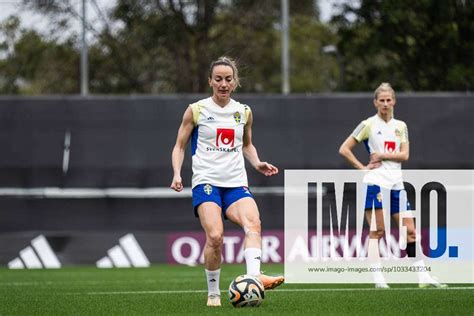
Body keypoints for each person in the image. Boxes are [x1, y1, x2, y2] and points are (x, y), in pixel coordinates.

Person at [170, 56, 284, 307]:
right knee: (216, 237)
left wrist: (257, 163)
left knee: (253, 223)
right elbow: (179, 146)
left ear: (235, 82)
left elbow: (247, 145)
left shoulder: (243, 112)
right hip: (206, 182)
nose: (223, 83)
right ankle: (213, 293)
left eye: (228, 79)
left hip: (235, 182)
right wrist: (177, 174)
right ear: (210, 81)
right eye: (218, 79)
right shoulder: (196, 109)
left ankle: (255, 277)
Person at [339, 82, 446, 288]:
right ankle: (378, 279)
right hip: (375, 184)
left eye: (389, 100)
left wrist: (382, 155)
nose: (386, 104)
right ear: (375, 103)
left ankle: (423, 276)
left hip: (397, 185)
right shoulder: (368, 124)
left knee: (411, 231)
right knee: (377, 231)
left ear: (394, 101)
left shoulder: (400, 126)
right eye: (382, 100)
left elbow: (405, 155)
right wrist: (363, 169)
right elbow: (344, 149)